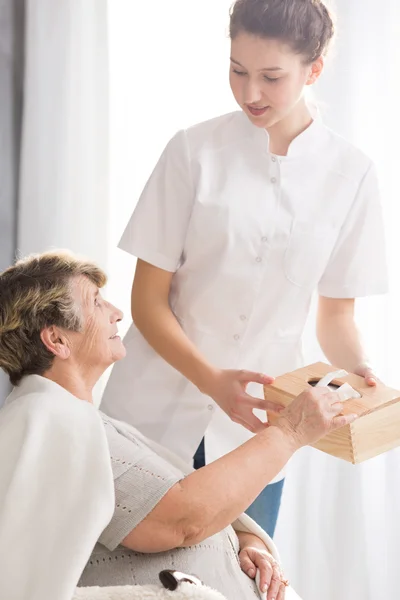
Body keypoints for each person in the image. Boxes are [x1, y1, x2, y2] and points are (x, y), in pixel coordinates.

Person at [101, 0, 388, 537]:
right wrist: (212, 381)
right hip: (151, 410)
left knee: (246, 584)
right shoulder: (194, 151)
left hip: (260, 428)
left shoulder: (352, 175)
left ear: (315, 69)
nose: (249, 93)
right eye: (237, 70)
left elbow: (334, 320)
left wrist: (362, 372)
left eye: (271, 77)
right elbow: (146, 300)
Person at [0, 251, 357, 600]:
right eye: (96, 303)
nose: (117, 313)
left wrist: (247, 543)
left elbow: (179, 508)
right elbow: (181, 520)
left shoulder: (82, 422)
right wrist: (290, 432)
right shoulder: (48, 419)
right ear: (57, 340)